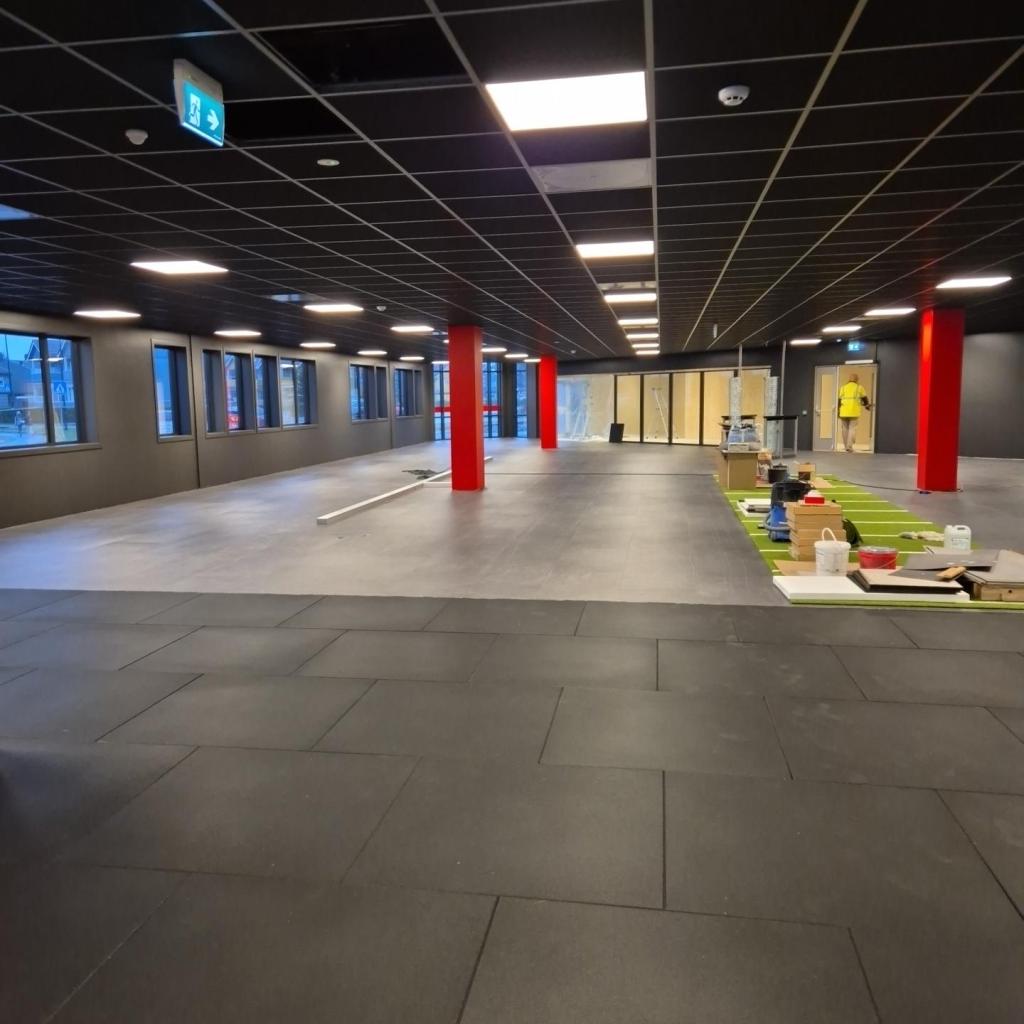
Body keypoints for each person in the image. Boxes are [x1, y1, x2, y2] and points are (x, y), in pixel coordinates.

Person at [837, 373, 869, 452]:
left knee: (844, 429)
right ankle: (849, 447)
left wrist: (838, 411)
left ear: (849, 379)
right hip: (854, 411)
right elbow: (865, 399)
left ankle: (846, 446)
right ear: (857, 379)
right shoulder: (859, 387)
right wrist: (867, 406)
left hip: (843, 411)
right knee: (852, 429)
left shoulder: (843, 387)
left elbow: (839, 400)